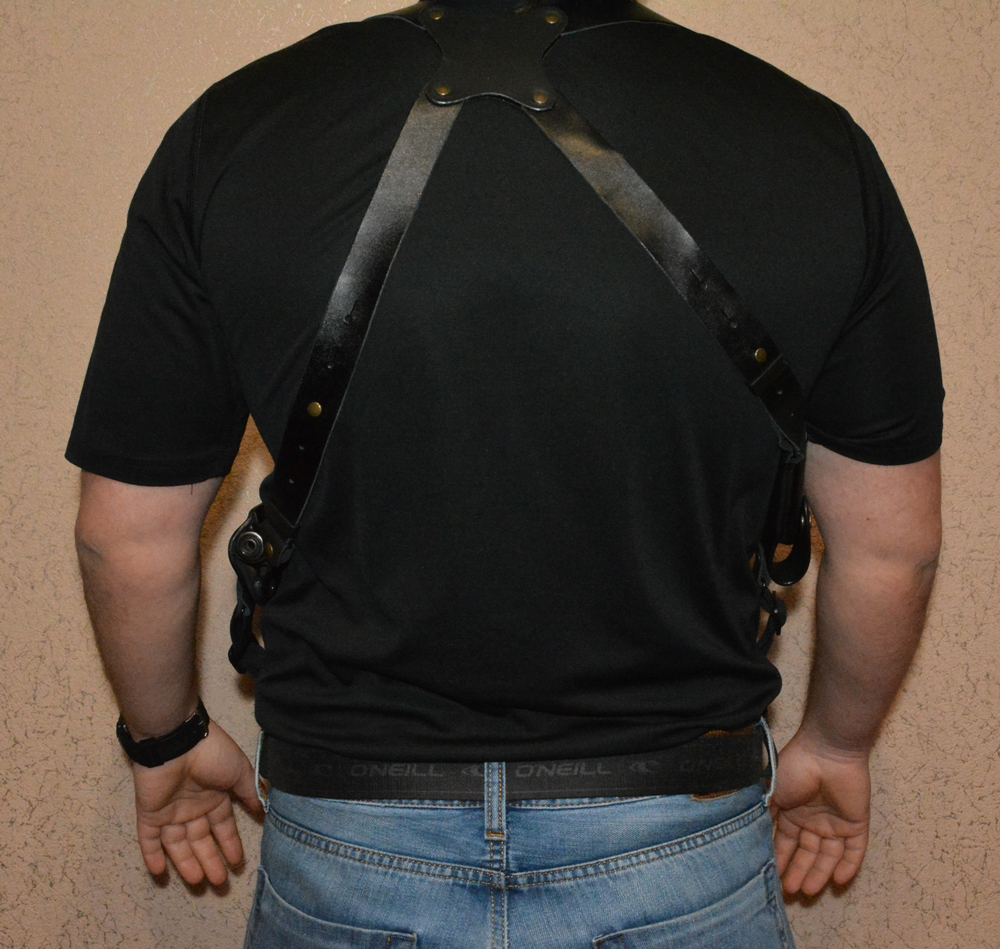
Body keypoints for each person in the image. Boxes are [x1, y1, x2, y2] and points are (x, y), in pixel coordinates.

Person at [68, 0, 943, 946]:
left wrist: (166, 738)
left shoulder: (240, 129)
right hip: (678, 850)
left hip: (352, 854)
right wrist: (839, 744)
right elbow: (892, 548)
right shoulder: (810, 144)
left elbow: (126, 537)